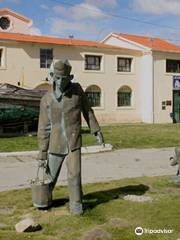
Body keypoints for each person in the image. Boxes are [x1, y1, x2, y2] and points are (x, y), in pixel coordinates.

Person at [37, 59, 104, 215]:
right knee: (50, 177)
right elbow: (43, 128)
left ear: (71, 77)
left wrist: (96, 130)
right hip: (55, 143)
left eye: (64, 78)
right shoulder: (46, 99)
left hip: (73, 141)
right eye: (58, 78)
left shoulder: (77, 91)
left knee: (75, 173)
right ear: (53, 76)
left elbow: (88, 111)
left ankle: (76, 204)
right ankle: (43, 200)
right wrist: (42, 153)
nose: (60, 82)